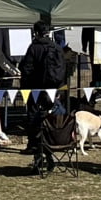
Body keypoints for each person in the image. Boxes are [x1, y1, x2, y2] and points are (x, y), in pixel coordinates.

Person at [19, 23, 65, 151]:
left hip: (34, 87)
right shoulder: (56, 47)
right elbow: (62, 69)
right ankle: (51, 141)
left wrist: (25, 84)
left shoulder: (33, 48)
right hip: (53, 88)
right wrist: (59, 87)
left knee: (33, 114)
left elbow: (26, 68)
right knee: (50, 114)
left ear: (35, 33)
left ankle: (33, 144)